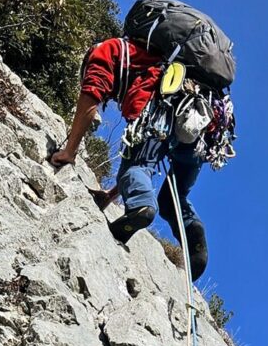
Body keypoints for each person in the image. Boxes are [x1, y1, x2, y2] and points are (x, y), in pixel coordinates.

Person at [50, 37, 209, 281]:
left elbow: (92, 91)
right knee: (172, 197)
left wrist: (69, 151)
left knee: (135, 168)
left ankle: (142, 205)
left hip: (162, 112)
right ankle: (192, 232)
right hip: (199, 124)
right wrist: (111, 195)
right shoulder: (150, 57)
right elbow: (152, 156)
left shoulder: (105, 52)